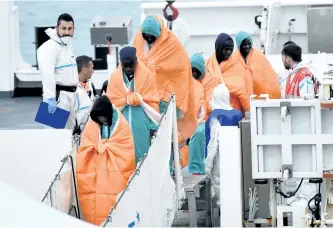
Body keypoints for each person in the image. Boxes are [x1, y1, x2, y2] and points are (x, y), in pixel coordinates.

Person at [133, 15, 197, 147]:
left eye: (153, 37)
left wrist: (154, 67)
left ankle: (170, 165)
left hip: (164, 99)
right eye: (146, 36)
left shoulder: (172, 43)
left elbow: (181, 68)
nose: (149, 39)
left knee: (165, 135)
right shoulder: (138, 41)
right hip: (144, 97)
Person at [76, 95, 136, 225]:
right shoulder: (92, 124)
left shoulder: (122, 126)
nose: (101, 120)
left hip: (115, 171)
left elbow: (125, 149)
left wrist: (105, 147)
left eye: (103, 117)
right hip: (95, 170)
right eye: (98, 118)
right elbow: (86, 146)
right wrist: (99, 147)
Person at [106, 46, 161, 163]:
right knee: (122, 159)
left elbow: (153, 103)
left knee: (143, 158)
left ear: (136, 60)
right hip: (121, 126)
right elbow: (111, 104)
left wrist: (153, 127)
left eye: (131, 65)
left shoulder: (147, 76)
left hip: (142, 125)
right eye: (125, 66)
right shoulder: (114, 78)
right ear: (120, 63)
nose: (128, 68)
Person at [37, 13, 78, 130]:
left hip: (71, 96)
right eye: (63, 28)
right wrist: (50, 98)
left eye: (70, 29)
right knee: (54, 137)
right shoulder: (48, 47)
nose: (67, 32)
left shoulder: (68, 45)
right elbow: (47, 74)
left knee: (71, 135)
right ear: (57, 28)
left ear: (73, 29)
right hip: (57, 97)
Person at [204, 84, 243, 205]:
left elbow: (213, 143)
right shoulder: (237, 114)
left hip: (220, 159)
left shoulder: (215, 117)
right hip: (237, 157)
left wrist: (208, 165)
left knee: (222, 193)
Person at [180, 53, 218, 175]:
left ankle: (196, 170)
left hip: (205, 119)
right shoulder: (185, 81)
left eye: (197, 72)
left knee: (198, 133)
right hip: (188, 118)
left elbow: (209, 105)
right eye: (192, 71)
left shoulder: (210, 81)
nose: (194, 75)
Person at [205, 33, 250, 113]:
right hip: (211, 112)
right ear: (219, 47)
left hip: (232, 111)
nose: (228, 52)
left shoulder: (236, 65)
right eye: (226, 49)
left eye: (231, 50)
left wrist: (248, 110)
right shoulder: (207, 64)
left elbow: (242, 90)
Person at [234, 31, 281, 99]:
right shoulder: (235, 58)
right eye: (244, 44)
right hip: (248, 97)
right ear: (239, 45)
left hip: (265, 94)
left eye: (249, 44)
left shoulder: (257, 55)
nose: (247, 46)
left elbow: (262, 75)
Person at [74, 55, 97, 134]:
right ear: (84, 69)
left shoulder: (91, 85)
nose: (93, 71)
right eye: (92, 68)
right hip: (75, 134)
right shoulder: (69, 88)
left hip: (91, 132)